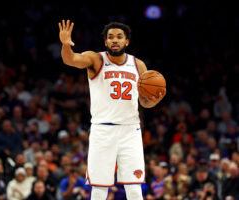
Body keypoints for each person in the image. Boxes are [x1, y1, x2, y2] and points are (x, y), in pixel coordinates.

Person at [58, 20, 165, 200]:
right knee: (99, 189)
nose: (115, 40)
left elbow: (144, 103)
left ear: (127, 41)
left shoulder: (139, 65)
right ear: (106, 42)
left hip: (131, 129)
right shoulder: (96, 59)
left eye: (119, 37)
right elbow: (71, 60)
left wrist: (154, 100)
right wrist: (65, 45)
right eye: (110, 37)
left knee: (134, 188)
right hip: (103, 130)